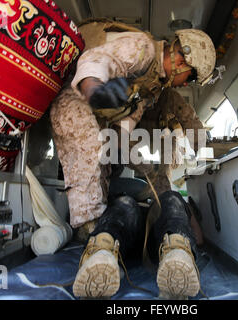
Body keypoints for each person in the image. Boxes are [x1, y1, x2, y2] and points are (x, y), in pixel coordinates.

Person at [49, 18, 216, 299]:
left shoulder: (151, 90)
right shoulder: (143, 49)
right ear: (180, 59)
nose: (187, 83)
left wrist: (151, 172)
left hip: (100, 121)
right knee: (91, 157)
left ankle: (104, 243)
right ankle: (93, 244)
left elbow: (122, 137)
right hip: (78, 103)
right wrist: (95, 90)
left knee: (103, 161)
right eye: (191, 77)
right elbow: (98, 59)